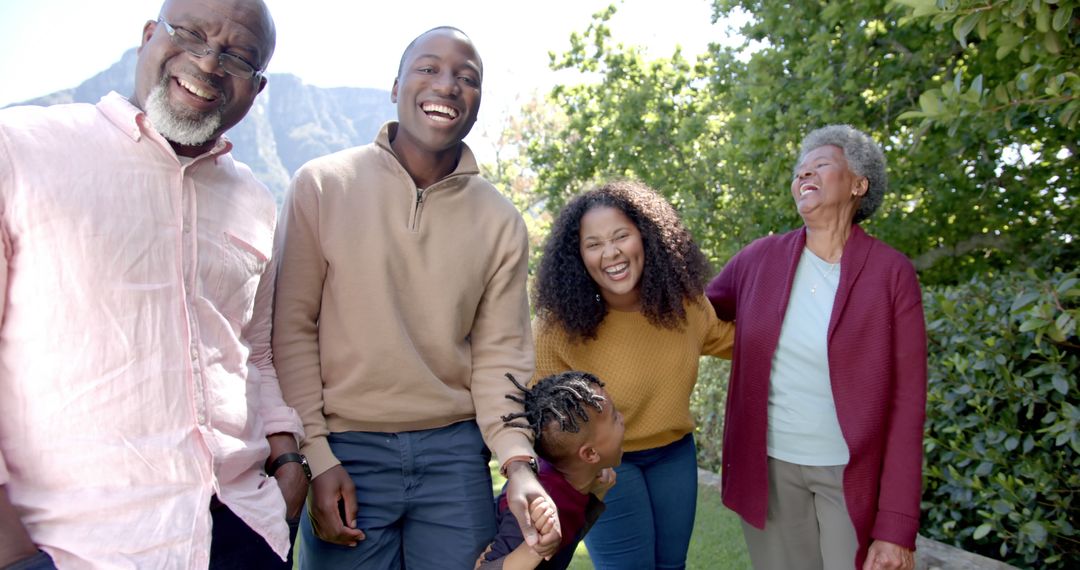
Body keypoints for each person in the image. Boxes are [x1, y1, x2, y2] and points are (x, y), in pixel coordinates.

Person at [0, 0, 307, 568]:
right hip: (76, 545)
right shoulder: (20, 148)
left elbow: (256, 353)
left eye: (238, 56)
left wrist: (289, 461)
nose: (209, 62)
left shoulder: (256, 203)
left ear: (257, 88)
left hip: (240, 530)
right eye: (190, 34)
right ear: (148, 37)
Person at [272, 26, 557, 569]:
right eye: (429, 69)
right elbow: (291, 329)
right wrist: (316, 455)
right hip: (346, 450)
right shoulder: (322, 186)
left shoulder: (499, 220)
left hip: (454, 456)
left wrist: (519, 466)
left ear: (477, 102)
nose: (447, 85)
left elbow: (501, 357)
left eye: (466, 78)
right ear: (396, 84)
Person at [706, 125, 927, 570]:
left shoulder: (892, 274)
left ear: (858, 185)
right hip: (771, 470)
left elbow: (908, 405)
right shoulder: (758, 259)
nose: (804, 174)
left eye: (821, 165)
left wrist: (896, 526)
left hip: (852, 475)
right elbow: (693, 317)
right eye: (799, 170)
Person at [531, 180, 735, 569]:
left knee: (672, 566)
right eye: (593, 244)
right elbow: (536, 409)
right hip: (604, 465)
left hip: (674, 454)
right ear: (578, 257)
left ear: (647, 238)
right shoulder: (556, 327)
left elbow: (738, 341)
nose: (610, 253)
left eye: (621, 236)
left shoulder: (687, 308)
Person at [477, 371, 625, 570]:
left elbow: (567, 538)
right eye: (614, 418)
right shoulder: (535, 507)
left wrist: (595, 494)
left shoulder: (573, 481)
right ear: (590, 454)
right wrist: (534, 548)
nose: (622, 419)